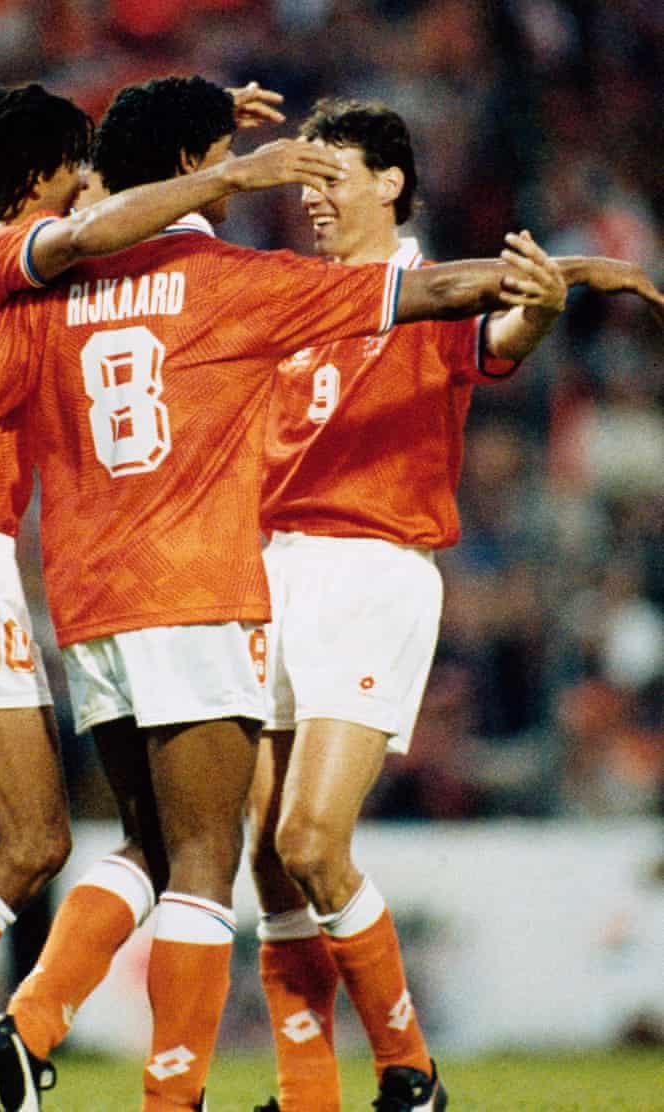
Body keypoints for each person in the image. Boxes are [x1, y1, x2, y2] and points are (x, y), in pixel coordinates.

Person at [0, 76, 648, 1112]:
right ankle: (142, 1092)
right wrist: (567, 272)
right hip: (197, 588)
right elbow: (433, 294)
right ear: (193, 170)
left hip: (85, 603)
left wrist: (194, 121)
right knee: (206, 860)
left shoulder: (50, 289)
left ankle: (3, 1037)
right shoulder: (236, 282)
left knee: (142, 841)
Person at [0, 79, 352, 1112]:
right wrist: (228, 175)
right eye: (70, 167)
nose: (82, 184)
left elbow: (95, 230)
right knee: (33, 840)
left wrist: (189, 123)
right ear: (32, 178)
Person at [246, 98, 664, 1112]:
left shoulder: (428, 293)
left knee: (310, 841)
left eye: (330, 177)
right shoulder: (295, 295)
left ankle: (410, 1072)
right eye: (304, 181)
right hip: (270, 569)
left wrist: (547, 304)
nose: (311, 198)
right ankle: (308, 1095)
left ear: (390, 182)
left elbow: (505, 330)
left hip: (368, 569)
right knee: (265, 855)